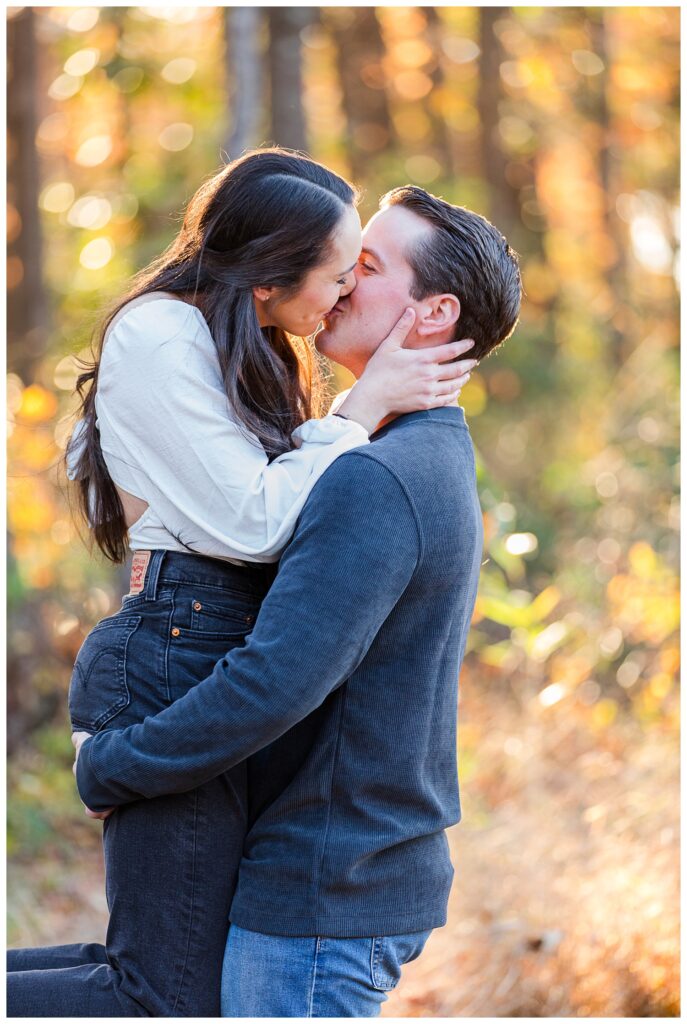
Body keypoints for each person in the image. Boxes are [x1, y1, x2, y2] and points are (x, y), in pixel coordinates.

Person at [6, 152, 476, 1019]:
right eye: (341, 272)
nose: (340, 296)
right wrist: (356, 411)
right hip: (173, 645)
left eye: (359, 274)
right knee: (161, 992)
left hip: (203, 644)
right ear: (268, 273)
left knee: (168, 978)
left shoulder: (256, 344)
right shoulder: (163, 332)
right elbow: (258, 524)